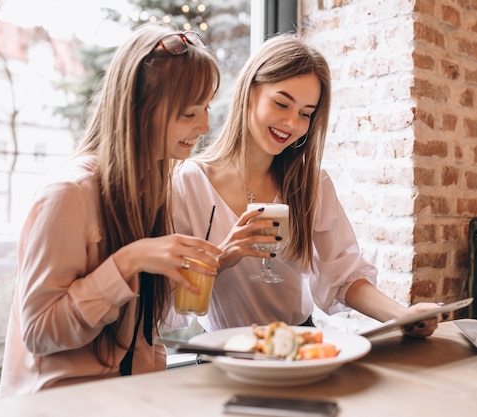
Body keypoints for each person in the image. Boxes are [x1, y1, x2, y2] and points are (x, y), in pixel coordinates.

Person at [0, 23, 222, 398]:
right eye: (188, 113)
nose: (204, 126)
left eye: (206, 109)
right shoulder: (68, 194)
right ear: (139, 109)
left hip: (130, 398)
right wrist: (127, 262)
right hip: (60, 404)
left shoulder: (152, 187)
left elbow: (147, 327)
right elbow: (39, 333)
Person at [172, 33, 439, 337]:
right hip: (223, 352)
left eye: (305, 114)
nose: (291, 123)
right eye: (281, 103)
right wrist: (222, 257)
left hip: (299, 346)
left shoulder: (311, 184)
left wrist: (402, 316)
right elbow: (168, 297)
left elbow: (344, 276)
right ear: (249, 92)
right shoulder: (188, 183)